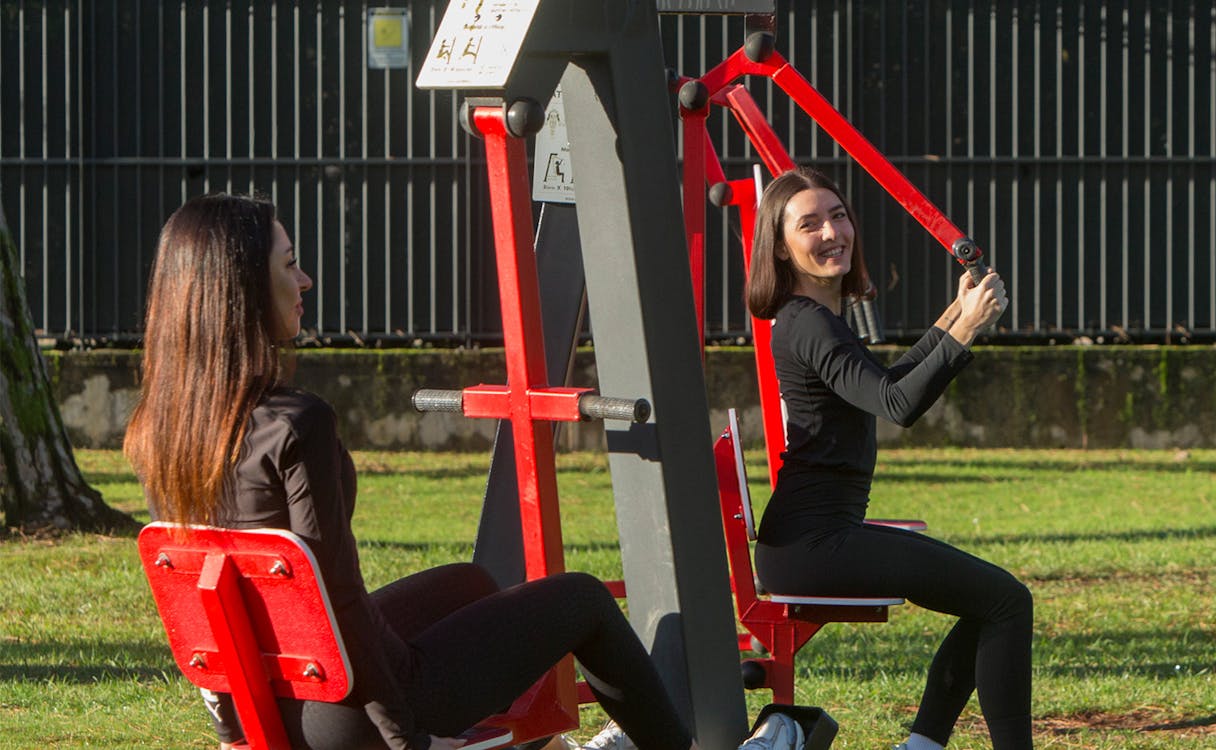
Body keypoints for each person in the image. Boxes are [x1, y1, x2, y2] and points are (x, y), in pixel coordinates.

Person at [123, 193, 707, 750]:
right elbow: (341, 595)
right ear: (242, 289)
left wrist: (235, 732)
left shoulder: (162, 427)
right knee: (581, 599)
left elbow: (199, 605)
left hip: (272, 696)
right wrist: (406, 740)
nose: (304, 282)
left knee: (470, 585)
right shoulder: (298, 424)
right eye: (291, 265)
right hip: (346, 718)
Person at [744, 167, 1034, 750]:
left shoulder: (815, 321)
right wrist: (968, 331)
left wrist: (953, 318)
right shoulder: (810, 326)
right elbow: (898, 404)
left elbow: (882, 383)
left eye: (839, 215)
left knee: (992, 602)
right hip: (814, 546)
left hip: (812, 541)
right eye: (810, 224)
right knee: (1006, 601)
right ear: (780, 246)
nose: (832, 232)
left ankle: (923, 745)